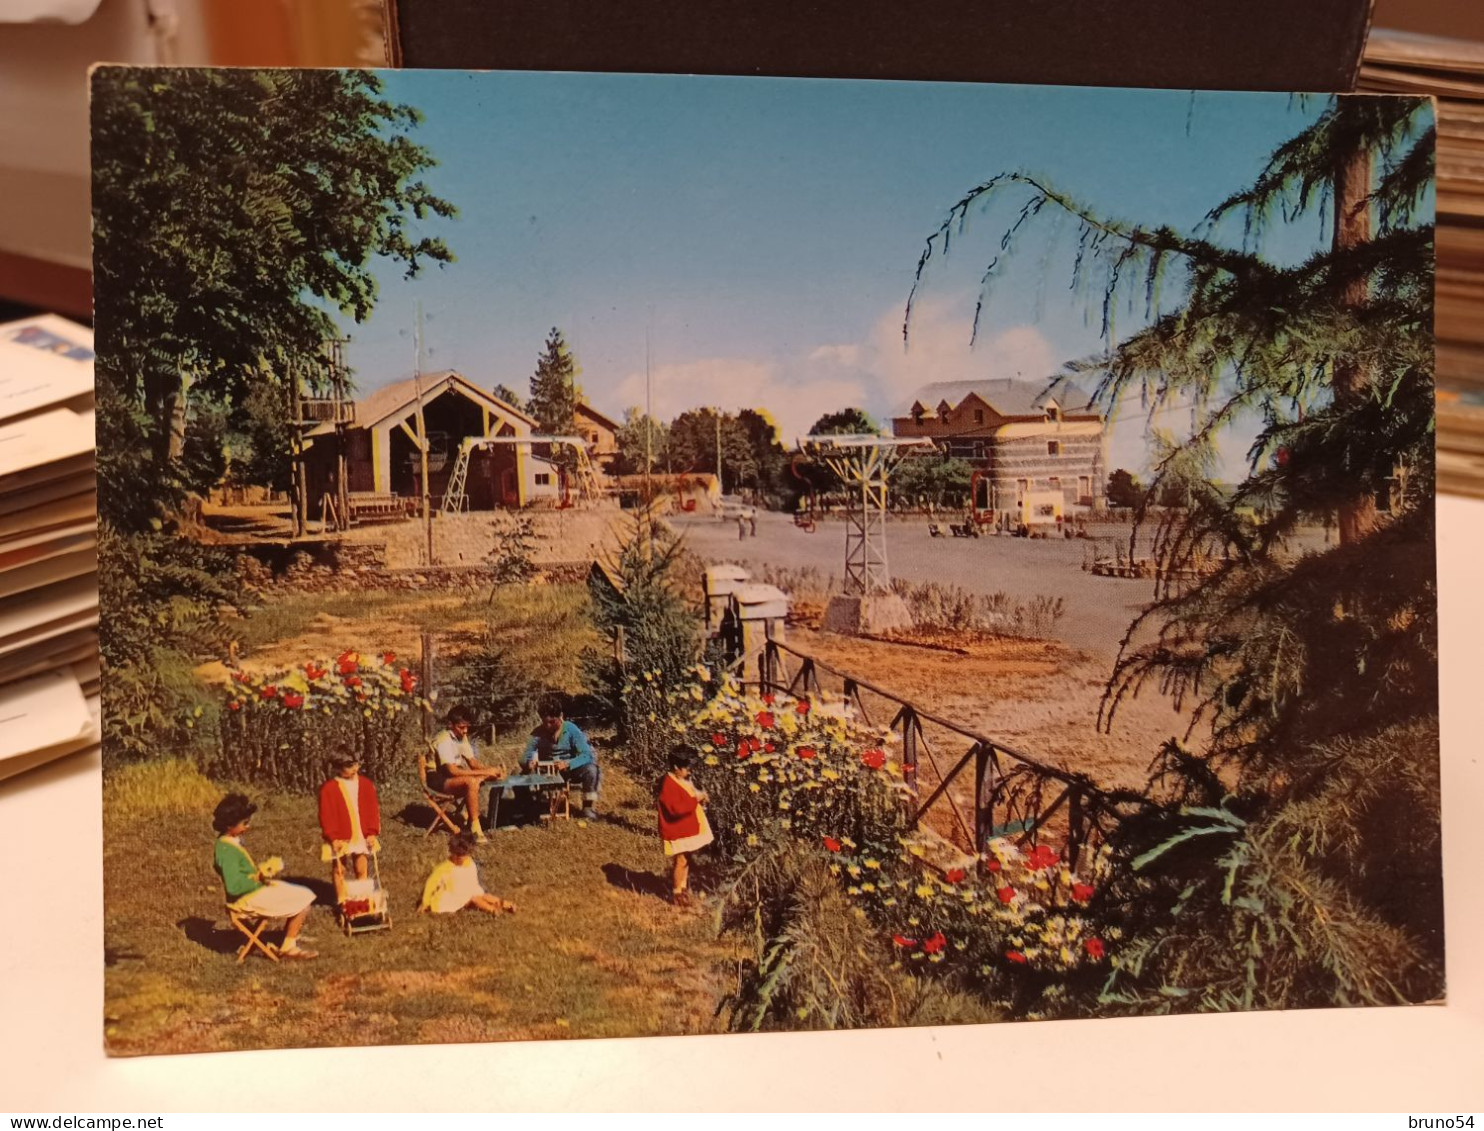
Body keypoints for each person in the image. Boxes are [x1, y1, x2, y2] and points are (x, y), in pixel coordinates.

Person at [212, 793, 318, 959]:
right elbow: (234, 886)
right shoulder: (226, 851)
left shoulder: (226, 841)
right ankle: (288, 946)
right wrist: (259, 878)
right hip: (245, 899)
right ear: (229, 826)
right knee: (305, 898)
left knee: (297, 891)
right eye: (245, 823)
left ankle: (290, 936)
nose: (248, 826)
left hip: (250, 892)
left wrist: (260, 875)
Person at [521, 692, 601, 820]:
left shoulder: (571, 730)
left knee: (592, 769)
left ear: (561, 716)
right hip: (547, 772)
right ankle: (529, 810)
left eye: (552, 722)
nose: (548, 726)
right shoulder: (537, 733)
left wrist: (569, 764)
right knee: (519, 775)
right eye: (545, 722)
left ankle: (587, 808)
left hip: (569, 770)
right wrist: (528, 762)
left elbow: (587, 755)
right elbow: (525, 755)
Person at [430, 706, 505, 842]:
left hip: (451, 776)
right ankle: (475, 827)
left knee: (484, 777)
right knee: (472, 781)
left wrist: (492, 770)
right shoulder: (443, 740)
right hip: (438, 779)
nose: (465, 731)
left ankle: (487, 818)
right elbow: (451, 770)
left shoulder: (461, 736)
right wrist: (483, 773)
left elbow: (473, 763)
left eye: (467, 727)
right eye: (461, 727)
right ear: (450, 725)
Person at [317, 750, 381, 903]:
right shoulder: (329, 788)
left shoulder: (365, 784)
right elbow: (326, 815)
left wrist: (372, 832)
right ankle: (341, 899)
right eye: (349, 766)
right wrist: (332, 837)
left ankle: (362, 898)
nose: (354, 769)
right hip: (340, 834)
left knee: (361, 866)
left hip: (361, 832)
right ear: (338, 768)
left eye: (356, 765)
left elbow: (373, 809)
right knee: (340, 868)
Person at [657, 747, 713, 907]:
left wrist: (701, 798)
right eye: (687, 769)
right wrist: (695, 799)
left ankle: (682, 888)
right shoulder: (668, 784)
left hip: (687, 828)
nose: (690, 772)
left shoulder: (683, 779)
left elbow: (691, 793)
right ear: (676, 767)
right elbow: (675, 809)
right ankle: (676, 892)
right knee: (680, 860)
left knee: (686, 858)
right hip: (677, 829)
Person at [419, 832, 516, 915]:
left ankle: (502, 903)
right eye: (458, 855)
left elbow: (472, 883)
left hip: (466, 892)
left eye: (464, 855)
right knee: (474, 898)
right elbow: (431, 885)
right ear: (453, 853)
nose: (461, 858)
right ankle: (492, 909)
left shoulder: (469, 863)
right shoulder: (444, 868)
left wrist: (475, 891)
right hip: (451, 897)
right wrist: (425, 902)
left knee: (482, 895)